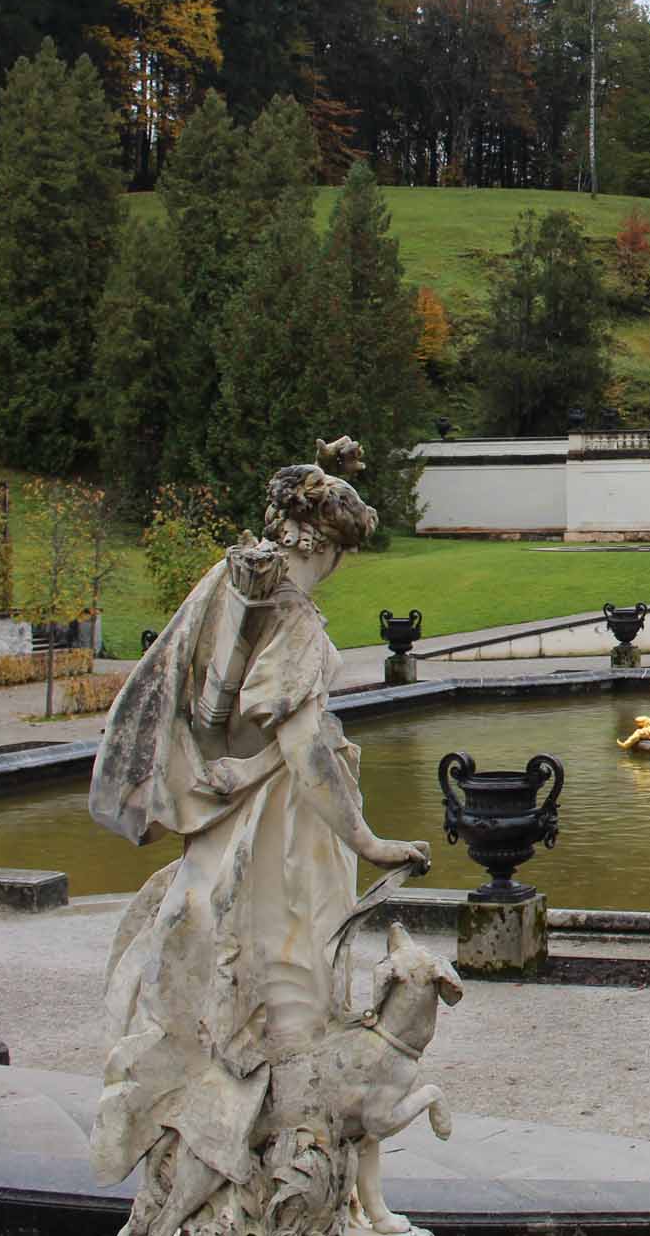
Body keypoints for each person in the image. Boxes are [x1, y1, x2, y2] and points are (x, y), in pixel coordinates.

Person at [89, 451, 433, 1236]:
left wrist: (246, 758)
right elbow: (308, 749)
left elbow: (212, 716)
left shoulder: (228, 588)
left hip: (221, 837)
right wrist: (370, 839)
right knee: (292, 1014)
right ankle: (288, 1204)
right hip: (279, 843)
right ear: (328, 545)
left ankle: (210, 1201)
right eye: (346, 555)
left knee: (215, 1002)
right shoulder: (294, 620)